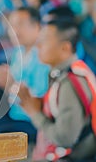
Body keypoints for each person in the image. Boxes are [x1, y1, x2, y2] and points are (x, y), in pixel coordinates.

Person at [17, 13, 96, 161]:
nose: (38, 45)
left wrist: (35, 113)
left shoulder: (69, 83)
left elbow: (65, 138)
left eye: (44, 41)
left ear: (65, 48)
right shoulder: (63, 73)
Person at [0, 7, 49, 142]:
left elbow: (39, 102)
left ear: (37, 26)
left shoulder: (44, 56)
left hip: (30, 121)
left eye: (20, 25)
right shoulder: (19, 51)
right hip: (13, 113)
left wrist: (11, 83)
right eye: (11, 26)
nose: (14, 31)